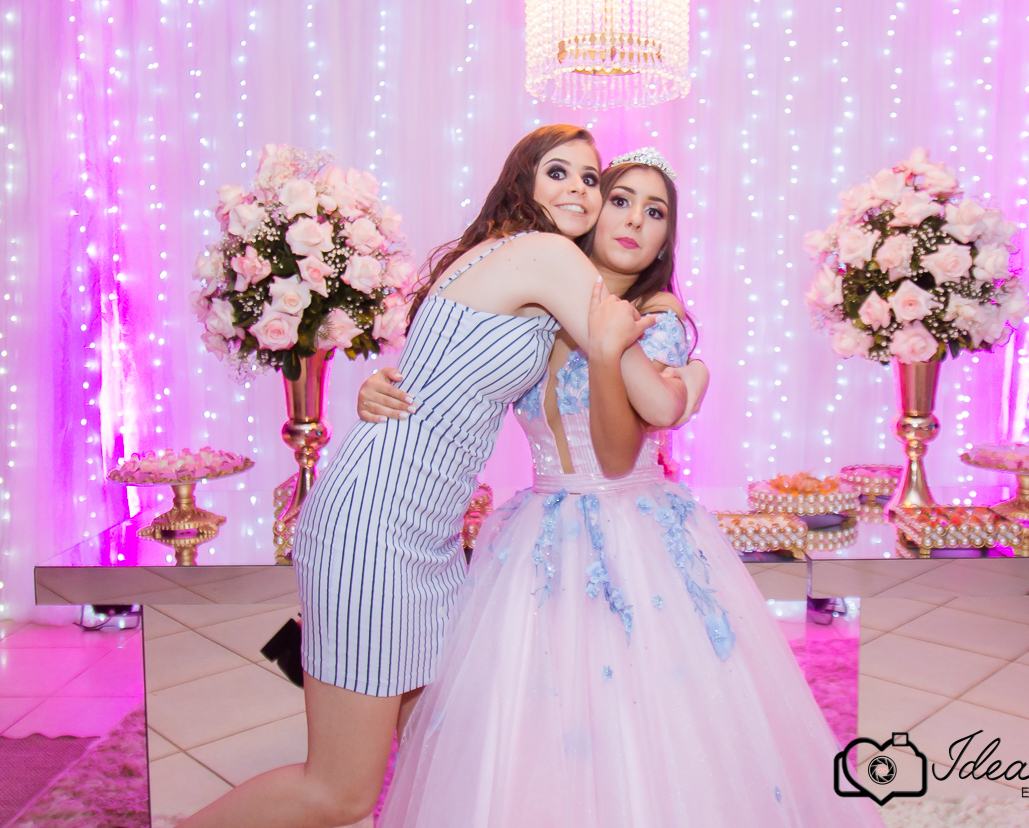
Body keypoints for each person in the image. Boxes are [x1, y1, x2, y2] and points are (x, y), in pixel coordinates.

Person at [178, 126, 708, 828]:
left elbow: (440, 373)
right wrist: (691, 370)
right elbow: (652, 396)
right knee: (339, 791)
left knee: (439, 754)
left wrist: (379, 388)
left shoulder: (508, 256)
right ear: (522, 180)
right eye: (559, 172)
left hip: (424, 528)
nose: (579, 191)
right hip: (378, 523)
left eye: (589, 178)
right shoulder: (548, 255)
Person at [364, 149, 884, 828]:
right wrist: (384, 387)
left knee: (651, 729)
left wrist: (661, 370)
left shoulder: (654, 318)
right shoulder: (539, 304)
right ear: (591, 211)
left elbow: (618, 455)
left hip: (632, 533)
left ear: (667, 238)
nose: (636, 219)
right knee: (529, 726)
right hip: (535, 537)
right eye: (620, 199)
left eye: (655, 211)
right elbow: (466, 373)